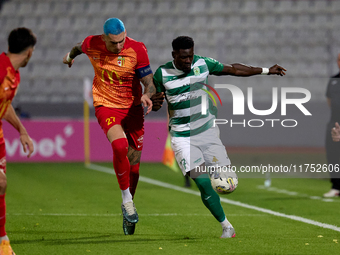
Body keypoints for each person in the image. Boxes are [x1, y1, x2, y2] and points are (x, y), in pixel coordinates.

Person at [151, 36, 286, 238]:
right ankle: (227, 226)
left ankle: (219, 177)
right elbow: (156, 103)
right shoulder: (162, 74)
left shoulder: (203, 64)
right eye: (183, 57)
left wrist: (266, 70)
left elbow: (234, 69)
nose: (188, 61)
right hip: (181, 136)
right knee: (203, 182)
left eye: (190, 56)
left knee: (227, 185)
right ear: (174, 55)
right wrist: (155, 103)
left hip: (207, 132)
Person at [62, 18, 155, 235]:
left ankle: (129, 204)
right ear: (104, 38)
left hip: (133, 108)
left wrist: (148, 95)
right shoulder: (91, 43)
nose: (119, 46)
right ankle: (126, 201)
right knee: (120, 146)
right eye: (114, 43)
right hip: (107, 105)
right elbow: (78, 48)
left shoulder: (137, 49)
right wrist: (68, 58)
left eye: (122, 41)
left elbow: (148, 81)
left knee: (134, 167)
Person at [0, 27, 36, 255]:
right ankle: (3, 241)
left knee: (0, 187)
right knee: (1, 183)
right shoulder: (1, 69)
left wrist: (22, 130)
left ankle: (3, 242)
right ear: (29, 52)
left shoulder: (14, 74)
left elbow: (5, 105)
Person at [324, 54, 340, 198]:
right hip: (334, 123)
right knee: (333, 155)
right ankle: (336, 186)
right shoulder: (333, 80)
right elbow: (330, 101)